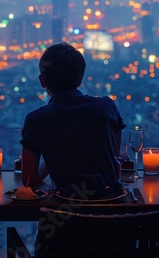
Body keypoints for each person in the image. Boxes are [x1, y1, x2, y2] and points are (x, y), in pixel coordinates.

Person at [20, 42, 126, 190]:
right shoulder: (107, 107)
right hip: (112, 208)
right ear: (80, 78)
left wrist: (53, 158)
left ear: (42, 81)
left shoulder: (36, 120)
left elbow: (29, 180)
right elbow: (114, 160)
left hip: (64, 209)